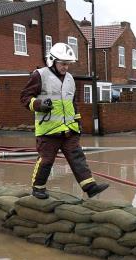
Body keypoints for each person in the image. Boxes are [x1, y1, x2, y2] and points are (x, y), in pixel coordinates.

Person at [20, 42, 109, 199]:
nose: (66, 67)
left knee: (78, 158)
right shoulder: (39, 75)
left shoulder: (70, 79)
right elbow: (25, 98)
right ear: (52, 60)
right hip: (48, 130)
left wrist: (78, 124)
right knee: (46, 160)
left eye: (68, 64)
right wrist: (39, 104)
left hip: (69, 130)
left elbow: (72, 104)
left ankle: (90, 187)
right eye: (63, 64)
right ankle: (38, 188)